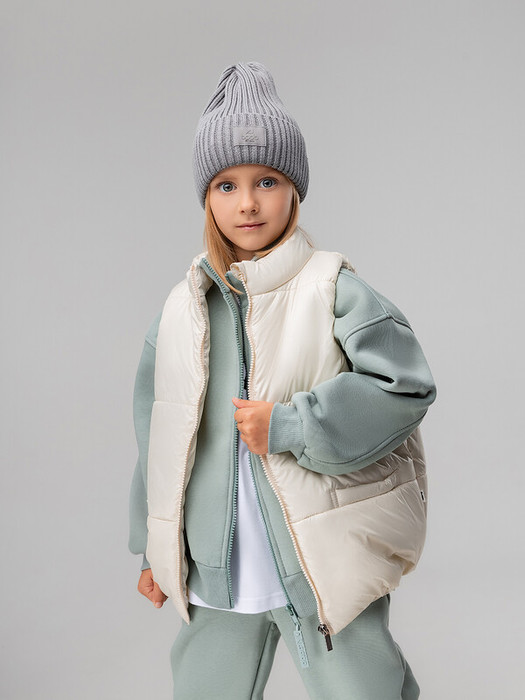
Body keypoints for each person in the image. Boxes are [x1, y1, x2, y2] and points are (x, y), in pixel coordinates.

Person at [128, 61, 437, 700]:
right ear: (207, 198)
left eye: (266, 181)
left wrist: (293, 425)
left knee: (363, 688)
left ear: (295, 190)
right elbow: (157, 434)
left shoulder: (332, 288)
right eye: (226, 185)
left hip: (318, 561)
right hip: (217, 567)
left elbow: (404, 385)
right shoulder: (181, 312)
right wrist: (154, 548)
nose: (247, 202)